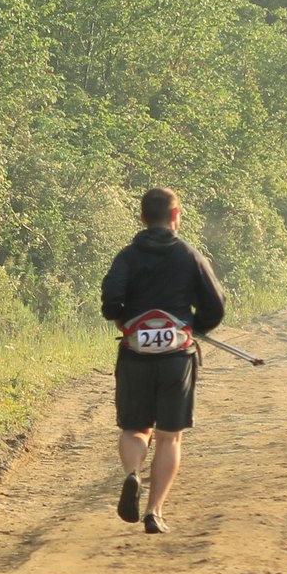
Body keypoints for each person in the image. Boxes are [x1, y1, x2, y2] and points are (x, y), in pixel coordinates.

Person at [99, 187, 226, 535]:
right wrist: (191, 327)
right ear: (176, 216)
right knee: (169, 437)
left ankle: (130, 474)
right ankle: (154, 511)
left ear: (142, 217)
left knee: (135, 429)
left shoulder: (127, 256)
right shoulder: (190, 255)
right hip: (177, 358)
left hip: (135, 354)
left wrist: (125, 319)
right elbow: (216, 305)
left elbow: (110, 300)